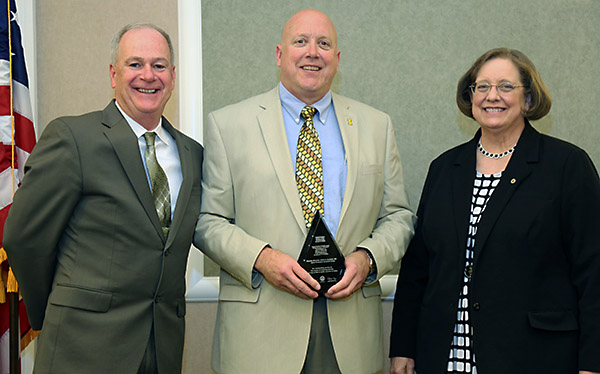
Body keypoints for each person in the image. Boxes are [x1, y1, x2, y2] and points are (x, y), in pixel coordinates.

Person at [194, 8, 415, 374]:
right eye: (301, 41)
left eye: (324, 43)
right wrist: (262, 258)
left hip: (350, 333)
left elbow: (399, 217)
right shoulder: (228, 124)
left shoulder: (377, 125)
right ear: (280, 54)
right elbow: (208, 221)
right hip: (259, 333)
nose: (313, 52)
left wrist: (368, 258)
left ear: (337, 59)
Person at [3, 22, 203, 374]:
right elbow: (24, 239)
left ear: (172, 76)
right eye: (134, 64)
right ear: (113, 74)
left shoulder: (192, 154)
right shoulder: (73, 138)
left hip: (162, 350)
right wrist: (59, 309)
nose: (148, 75)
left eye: (159, 66)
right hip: (81, 348)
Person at [389, 48, 600, 374]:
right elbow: (418, 268)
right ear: (470, 97)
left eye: (505, 86)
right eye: (482, 86)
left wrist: (592, 362)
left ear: (528, 99)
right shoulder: (445, 168)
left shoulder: (566, 166)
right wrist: (403, 347)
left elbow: (593, 271)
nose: (492, 96)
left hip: (534, 357)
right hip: (445, 356)